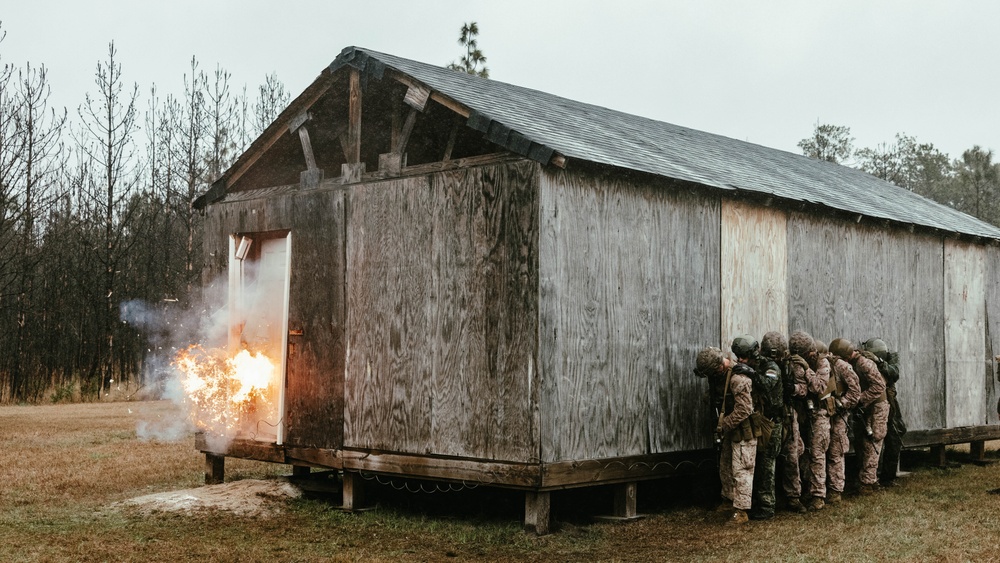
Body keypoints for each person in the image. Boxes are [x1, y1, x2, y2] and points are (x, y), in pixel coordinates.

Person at [696, 346, 757, 525]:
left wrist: (723, 425)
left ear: (719, 367)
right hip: (731, 429)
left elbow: (745, 408)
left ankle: (742, 510)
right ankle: (728, 500)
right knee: (725, 465)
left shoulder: (738, 379)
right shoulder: (720, 378)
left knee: (742, 469)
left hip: (744, 429)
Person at [831, 338, 889, 495]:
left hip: (877, 406)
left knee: (873, 441)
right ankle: (867, 478)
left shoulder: (863, 363)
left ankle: (868, 482)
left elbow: (879, 386)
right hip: (867, 406)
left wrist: (859, 399)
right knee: (864, 442)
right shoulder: (855, 363)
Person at [744, 332, 786, 520]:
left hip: (772, 422)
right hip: (764, 421)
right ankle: (760, 503)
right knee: (761, 463)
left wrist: (750, 372)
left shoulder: (772, 367)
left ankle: (767, 507)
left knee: (767, 464)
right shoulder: (764, 363)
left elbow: (767, 384)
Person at [790, 331, 831, 510]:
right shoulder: (794, 361)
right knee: (799, 452)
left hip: (820, 412)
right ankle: (805, 488)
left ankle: (818, 496)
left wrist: (807, 369)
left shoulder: (822, 363)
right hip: (801, 413)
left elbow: (818, 387)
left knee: (817, 452)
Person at [863, 338, 906, 486]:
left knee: (896, 434)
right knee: (871, 438)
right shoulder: (863, 361)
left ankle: (889, 477)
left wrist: (879, 361)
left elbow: (894, 373)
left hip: (890, 401)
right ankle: (868, 478)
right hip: (873, 403)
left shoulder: (890, 358)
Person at [823, 338, 861, 504]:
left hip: (839, 415)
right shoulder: (824, 364)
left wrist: (841, 404)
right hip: (823, 413)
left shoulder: (843, 367)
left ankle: (836, 490)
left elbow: (855, 392)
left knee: (836, 451)